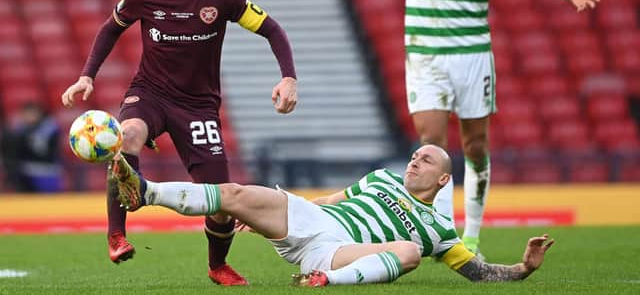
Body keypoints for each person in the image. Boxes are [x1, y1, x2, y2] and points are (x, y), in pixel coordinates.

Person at [281, 0, 600, 256]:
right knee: (432, 143)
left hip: (471, 55)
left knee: (476, 146)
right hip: (425, 52)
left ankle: (473, 236)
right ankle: (445, 235)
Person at [61, 0, 298, 285]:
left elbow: (272, 29)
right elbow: (111, 27)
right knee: (127, 134)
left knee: (220, 202)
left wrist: (288, 77)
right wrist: (87, 74)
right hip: (150, 93)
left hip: (199, 107)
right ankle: (116, 235)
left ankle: (217, 266)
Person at [111, 144, 554, 286]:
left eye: (426, 162)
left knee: (408, 252)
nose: (415, 162)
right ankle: (145, 190)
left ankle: (325, 282)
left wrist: (522, 269)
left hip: (340, 253)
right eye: (416, 156)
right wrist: (270, 210)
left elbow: (478, 273)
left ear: (442, 181)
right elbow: (330, 198)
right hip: (314, 221)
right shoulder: (381, 178)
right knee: (234, 193)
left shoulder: (440, 230)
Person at [1, 102, 62, 192]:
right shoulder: (21, 129)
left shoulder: (49, 128)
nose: (29, 116)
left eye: (32, 113)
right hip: (25, 172)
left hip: (47, 171)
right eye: (26, 114)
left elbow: (44, 152)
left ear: (39, 113)